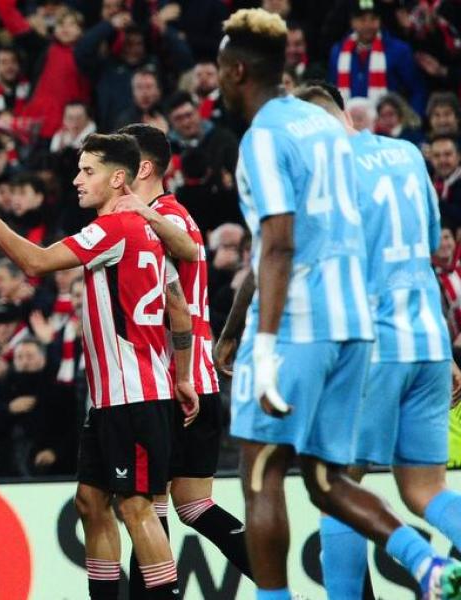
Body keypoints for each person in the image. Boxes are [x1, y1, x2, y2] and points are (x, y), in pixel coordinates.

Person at [216, 9, 461, 599]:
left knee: (267, 474)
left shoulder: (270, 138)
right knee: (359, 480)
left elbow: (275, 246)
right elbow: (432, 250)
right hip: (391, 328)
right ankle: (428, 567)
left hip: (318, 326)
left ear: (237, 70)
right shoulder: (387, 151)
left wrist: (259, 342)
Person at [0, 132, 198, 598]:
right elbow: (177, 306)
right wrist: (183, 374)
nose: (76, 180)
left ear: (118, 178)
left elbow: (35, 261)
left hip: (133, 394)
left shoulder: (114, 227)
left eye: (87, 171)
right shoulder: (148, 228)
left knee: (135, 506)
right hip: (116, 396)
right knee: (90, 502)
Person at [294, 81, 461, 600]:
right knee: (425, 488)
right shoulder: (407, 152)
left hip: (371, 347)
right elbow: (429, 248)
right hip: (430, 341)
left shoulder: (323, 178)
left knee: (338, 486)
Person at [116, 123, 254, 590]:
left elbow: (184, 266)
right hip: (202, 380)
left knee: (145, 507)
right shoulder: (175, 214)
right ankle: (275, 583)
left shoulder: (165, 219)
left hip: (176, 382)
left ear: (144, 168)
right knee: (194, 505)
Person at [329, 0, 426, 115]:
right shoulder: (338, 51)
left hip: (387, 125)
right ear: (352, 22)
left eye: (373, 19)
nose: (368, 25)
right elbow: (332, 92)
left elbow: (417, 90)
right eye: (362, 19)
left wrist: (412, 121)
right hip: (348, 125)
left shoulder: (399, 50)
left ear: (380, 21)